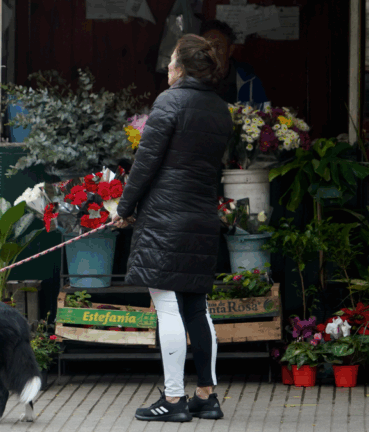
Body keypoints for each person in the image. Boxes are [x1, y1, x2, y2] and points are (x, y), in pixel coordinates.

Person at [112, 34, 233, 423]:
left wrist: (124, 208)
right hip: (201, 219)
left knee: (167, 308)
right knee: (197, 307)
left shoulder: (170, 102)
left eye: (171, 61)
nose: (166, 67)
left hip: (166, 220)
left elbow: (146, 163)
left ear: (181, 68)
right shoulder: (219, 109)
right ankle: (207, 396)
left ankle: (175, 399)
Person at [200, 19, 270, 110]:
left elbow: (264, 116)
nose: (213, 52)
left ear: (230, 50)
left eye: (218, 46)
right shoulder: (189, 82)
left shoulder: (250, 82)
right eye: (207, 47)